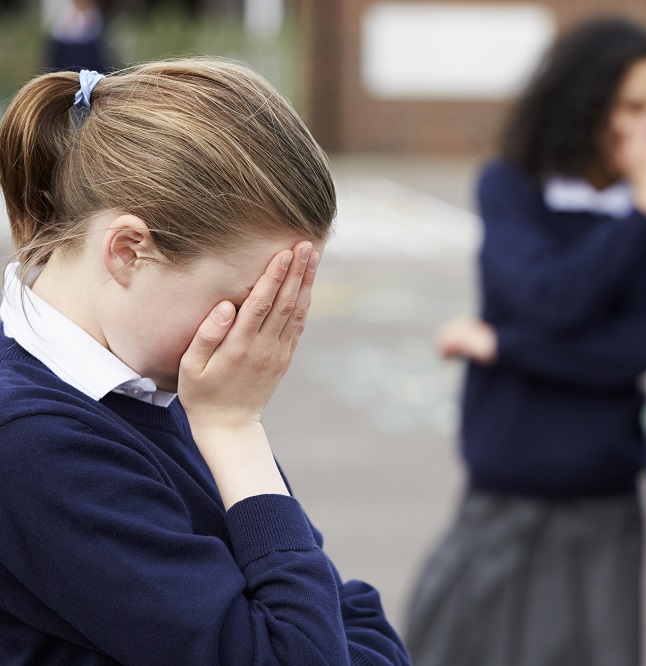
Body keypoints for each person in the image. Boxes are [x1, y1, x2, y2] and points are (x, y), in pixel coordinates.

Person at [0, 61, 410, 665]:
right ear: (127, 251)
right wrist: (234, 428)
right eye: (250, 303)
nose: (261, 338)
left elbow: (338, 610)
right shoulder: (33, 443)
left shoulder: (162, 386)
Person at [405, 16, 646, 666]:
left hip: (602, 491)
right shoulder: (512, 188)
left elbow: (637, 351)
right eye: (632, 106)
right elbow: (552, 298)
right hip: (504, 479)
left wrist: (505, 345)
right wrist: (641, 212)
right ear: (582, 99)